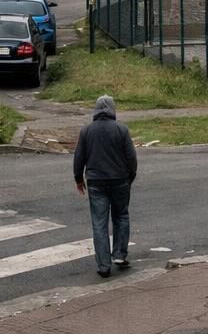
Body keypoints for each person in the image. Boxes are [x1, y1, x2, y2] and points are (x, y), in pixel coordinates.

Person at [73, 94, 138, 278]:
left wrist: (78, 179)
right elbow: (131, 158)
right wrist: (130, 176)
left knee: (99, 223)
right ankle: (119, 254)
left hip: (95, 182)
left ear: (96, 110)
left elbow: (79, 157)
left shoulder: (87, 131)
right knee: (121, 216)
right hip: (120, 180)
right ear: (112, 110)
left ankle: (103, 265)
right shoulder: (121, 129)